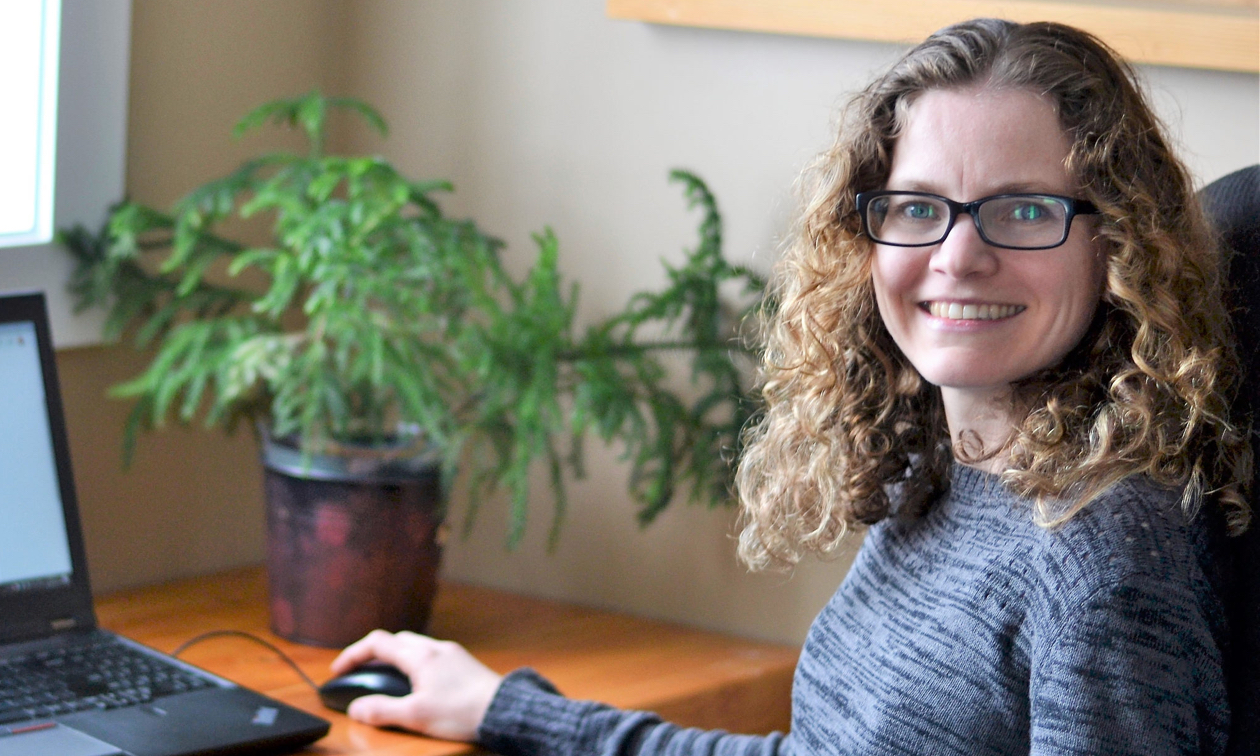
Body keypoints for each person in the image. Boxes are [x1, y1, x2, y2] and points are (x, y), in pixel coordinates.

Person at [329, 18, 1253, 754]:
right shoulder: (955, 465)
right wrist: (508, 712)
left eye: (1023, 210)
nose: (957, 257)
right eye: (919, 207)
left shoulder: (1096, 563)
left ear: (1119, 242)